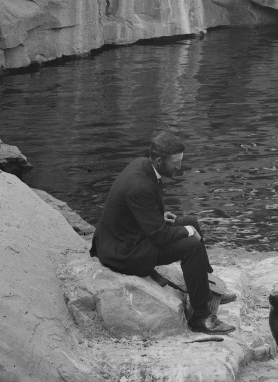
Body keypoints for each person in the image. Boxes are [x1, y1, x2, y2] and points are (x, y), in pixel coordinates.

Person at [89, 131, 237, 335]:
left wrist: (158, 216)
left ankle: (208, 290)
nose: (180, 167)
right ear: (159, 160)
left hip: (130, 235)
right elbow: (158, 236)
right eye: (175, 162)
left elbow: (140, 210)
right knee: (191, 245)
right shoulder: (140, 185)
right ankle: (201, 317)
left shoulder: (143, 165)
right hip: (124, 251)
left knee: (191, 221)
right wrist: (186, 231)